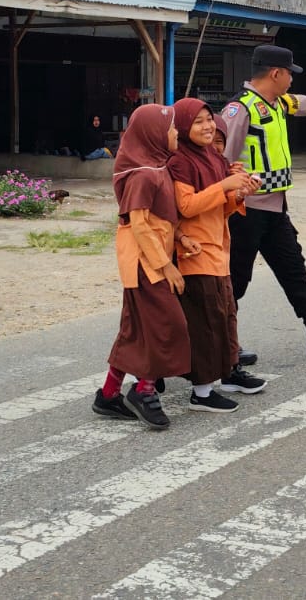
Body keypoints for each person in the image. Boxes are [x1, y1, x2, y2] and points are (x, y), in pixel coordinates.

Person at [221, 44, 306, 359]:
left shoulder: (278, 102)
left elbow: (302, 104)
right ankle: (225, 343)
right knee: (235, 279)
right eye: (290, 74)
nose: (292, 81)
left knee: (293, 269)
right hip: (245, 211)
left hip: (275, 209)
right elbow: (218, 158)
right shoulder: (240, 110)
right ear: (276, 73)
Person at [91, 104, 189, 430]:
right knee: (167, 324)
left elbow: (160, 221)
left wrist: (181, 240)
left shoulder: (157, 167)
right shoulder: (144, 175)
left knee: (135, 328)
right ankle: (144, 390)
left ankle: (108, 394)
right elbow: (139, 226)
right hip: (145, 264)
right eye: (171, 129)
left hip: (151, 260)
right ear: (154, 135)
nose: (176, 133)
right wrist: (166, 267)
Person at [167, 98, 266, 411]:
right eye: (198, 122)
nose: (208, 126)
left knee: (224, 315)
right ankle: (202, 392)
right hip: (193, 250)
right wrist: (225, 183)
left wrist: (238, 193)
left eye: (209, 119)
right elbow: (187, 206)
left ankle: (226, 374)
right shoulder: (180, 161)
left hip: (218, 249)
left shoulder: (213, 156)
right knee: (205, 321)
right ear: (183, 127)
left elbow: (220, 207)